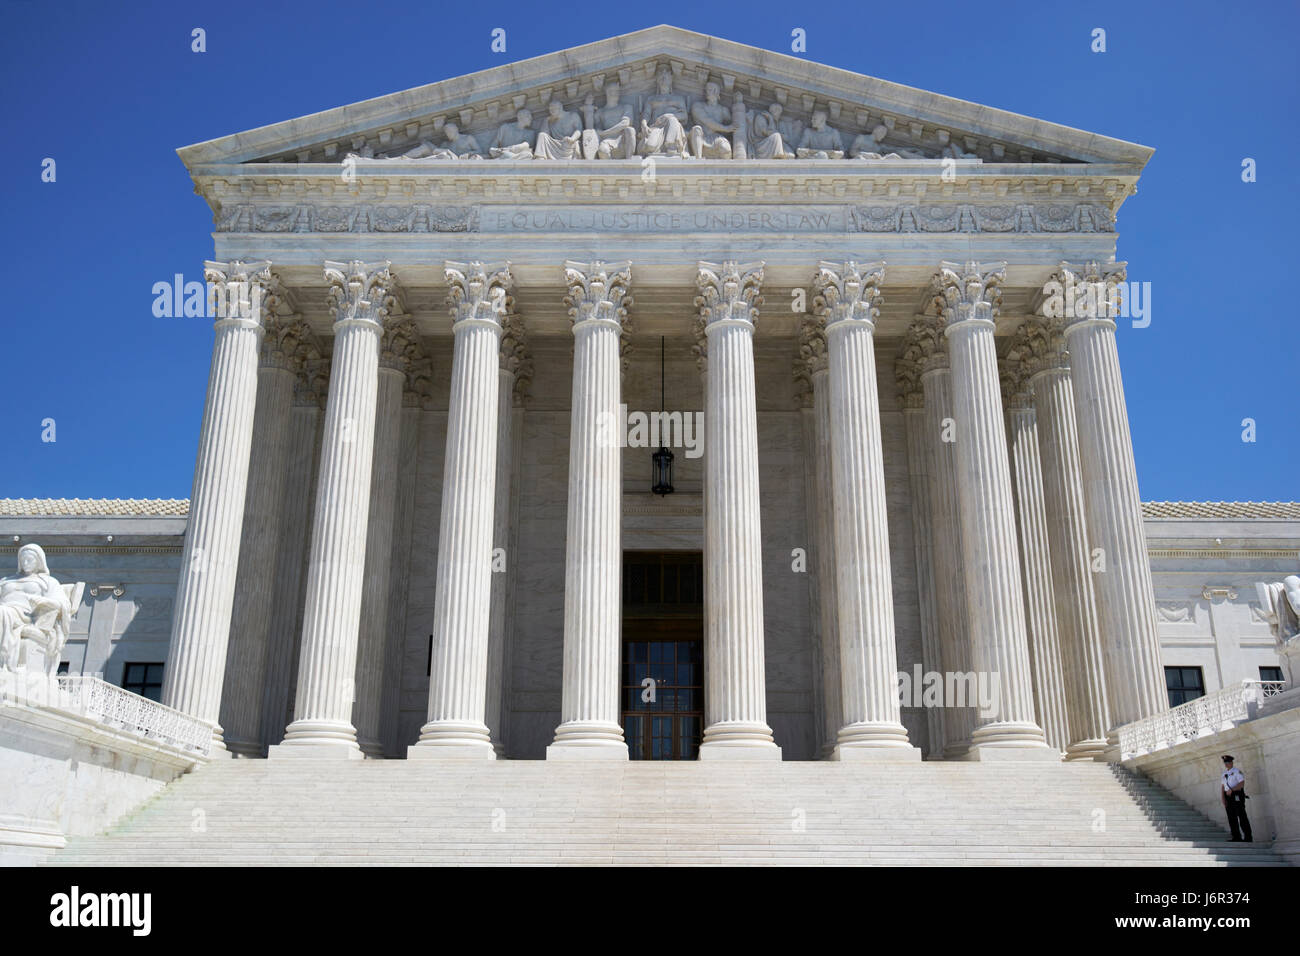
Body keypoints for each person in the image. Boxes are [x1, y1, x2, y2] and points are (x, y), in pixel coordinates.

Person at [1220, 755, 1252, 842]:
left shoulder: (1237, 772)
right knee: (1231, 817)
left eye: (1228, 762)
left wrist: (1232, 790)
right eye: (1225, 763)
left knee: (1241, 816)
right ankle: (1236, 836)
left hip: (1236, 795)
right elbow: (1223, 786)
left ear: (1232, 762)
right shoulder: (1224, 774)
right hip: (1228, 796)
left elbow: (1241, 783)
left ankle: (1248, 837)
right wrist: (1223, 798)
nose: (1227, 764)